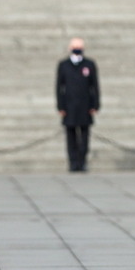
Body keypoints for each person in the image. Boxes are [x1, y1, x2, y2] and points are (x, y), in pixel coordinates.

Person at [55, 37, 100, 171]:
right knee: (71, 136)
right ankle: (73, 162)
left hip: (85, 106)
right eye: (75, 46)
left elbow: (95, 86)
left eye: (79, 46)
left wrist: (95, 105)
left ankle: (82, 162)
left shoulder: (89, 64)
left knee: (85, 137)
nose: (77, 49)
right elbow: (59, 87)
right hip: (69, 107)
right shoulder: (64, 65)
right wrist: (60, 106)